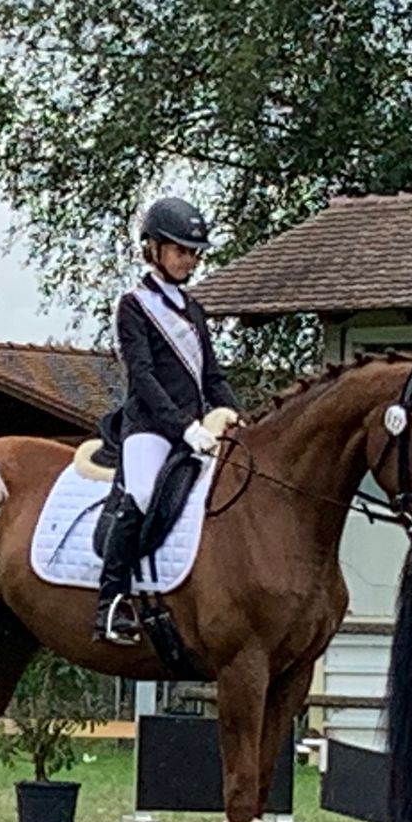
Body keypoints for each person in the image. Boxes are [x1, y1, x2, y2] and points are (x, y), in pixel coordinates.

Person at [95, 196, 241, 645]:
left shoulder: (194, 310)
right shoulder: (134, 306)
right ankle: (111, 602)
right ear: (153, 248)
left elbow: (212, 376)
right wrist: (183, 426)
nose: (189, 260)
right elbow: (142, 377)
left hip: (196, 431)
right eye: (181, 250)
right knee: (141, 494)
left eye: (195, 253)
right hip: (149, 428)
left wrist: (238, 419)